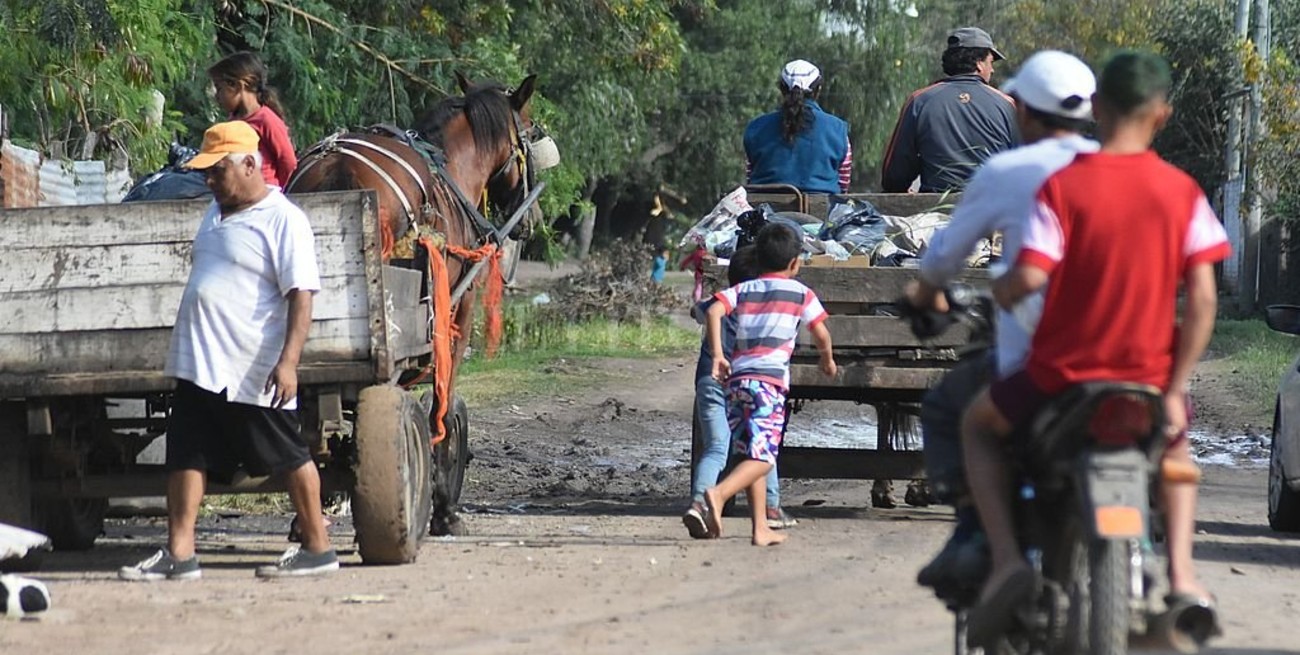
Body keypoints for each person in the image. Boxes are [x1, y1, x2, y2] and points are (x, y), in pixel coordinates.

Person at [959, 51, 1226, 644]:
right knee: (1178, 458)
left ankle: (1005, 561)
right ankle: (1182, 575)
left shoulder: (1064, 187)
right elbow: (1204, 299)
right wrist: (1175, 384)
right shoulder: (1182, 192)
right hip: (1149, 381)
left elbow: (1029, 277)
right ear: (1162, 116)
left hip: (1060, 377)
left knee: (977, 426)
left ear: (1097, 109)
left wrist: (1001, 288)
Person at [903, 50, 1099, 591]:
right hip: (1122, 358)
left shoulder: (1009, 173)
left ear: (1027, 113)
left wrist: (924, 295)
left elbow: (945, 258)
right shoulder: (1113, 170)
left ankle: (976, 536)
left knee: (950, 406)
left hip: (1039, 364)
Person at [119, 121, 338, 581]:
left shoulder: (284, 219)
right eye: (207, 173)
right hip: (200, 362)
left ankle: (318, 547)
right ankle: (180, 554)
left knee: (288, 454)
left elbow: (301, 294)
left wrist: (289, 363)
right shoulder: (215, 213)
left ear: (250, 164)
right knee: (187, 455)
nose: (210, 181)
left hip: (250, 366)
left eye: (218, 171)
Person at [702, 224, 838, 546]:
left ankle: (760, 528)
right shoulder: (801, 293)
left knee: (752, 451)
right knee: (764, 457)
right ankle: (719, 494)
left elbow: (714, 310)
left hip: (737, 383)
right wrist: (827, 360)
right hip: (769, 385)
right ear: (795, 263)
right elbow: (821, 333)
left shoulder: (745, 289)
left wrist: (718, 355)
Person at [682, 246, 797, 540]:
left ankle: (698, 503)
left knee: (717, 447)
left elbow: (698, 310)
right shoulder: (765, 307)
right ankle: (771, 507)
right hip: (747, 382)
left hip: (710, 381)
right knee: (761, 445)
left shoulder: (718, 303)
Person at [881, 27, 1019, 193]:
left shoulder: (920, 100)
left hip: (934, 211)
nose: (993, 69)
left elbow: (894, 176)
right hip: (991, 209)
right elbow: (1022, 166)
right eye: (991, 62)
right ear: (979, 63)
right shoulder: (1005, 104)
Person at [744, 59, 852, 195]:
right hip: (825, 211)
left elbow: (750, 176)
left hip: (765, 210)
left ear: (782, 89)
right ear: (818, 90)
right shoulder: (838, 130)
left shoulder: (755, 129)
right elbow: (843, 185)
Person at [208, 51, 298, 188]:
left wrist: (277, 191)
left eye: (220, 89)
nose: (217, 96)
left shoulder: (266, 119)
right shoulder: (233, 120)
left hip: (263, 191)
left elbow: (288, 161)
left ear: (238, 86)